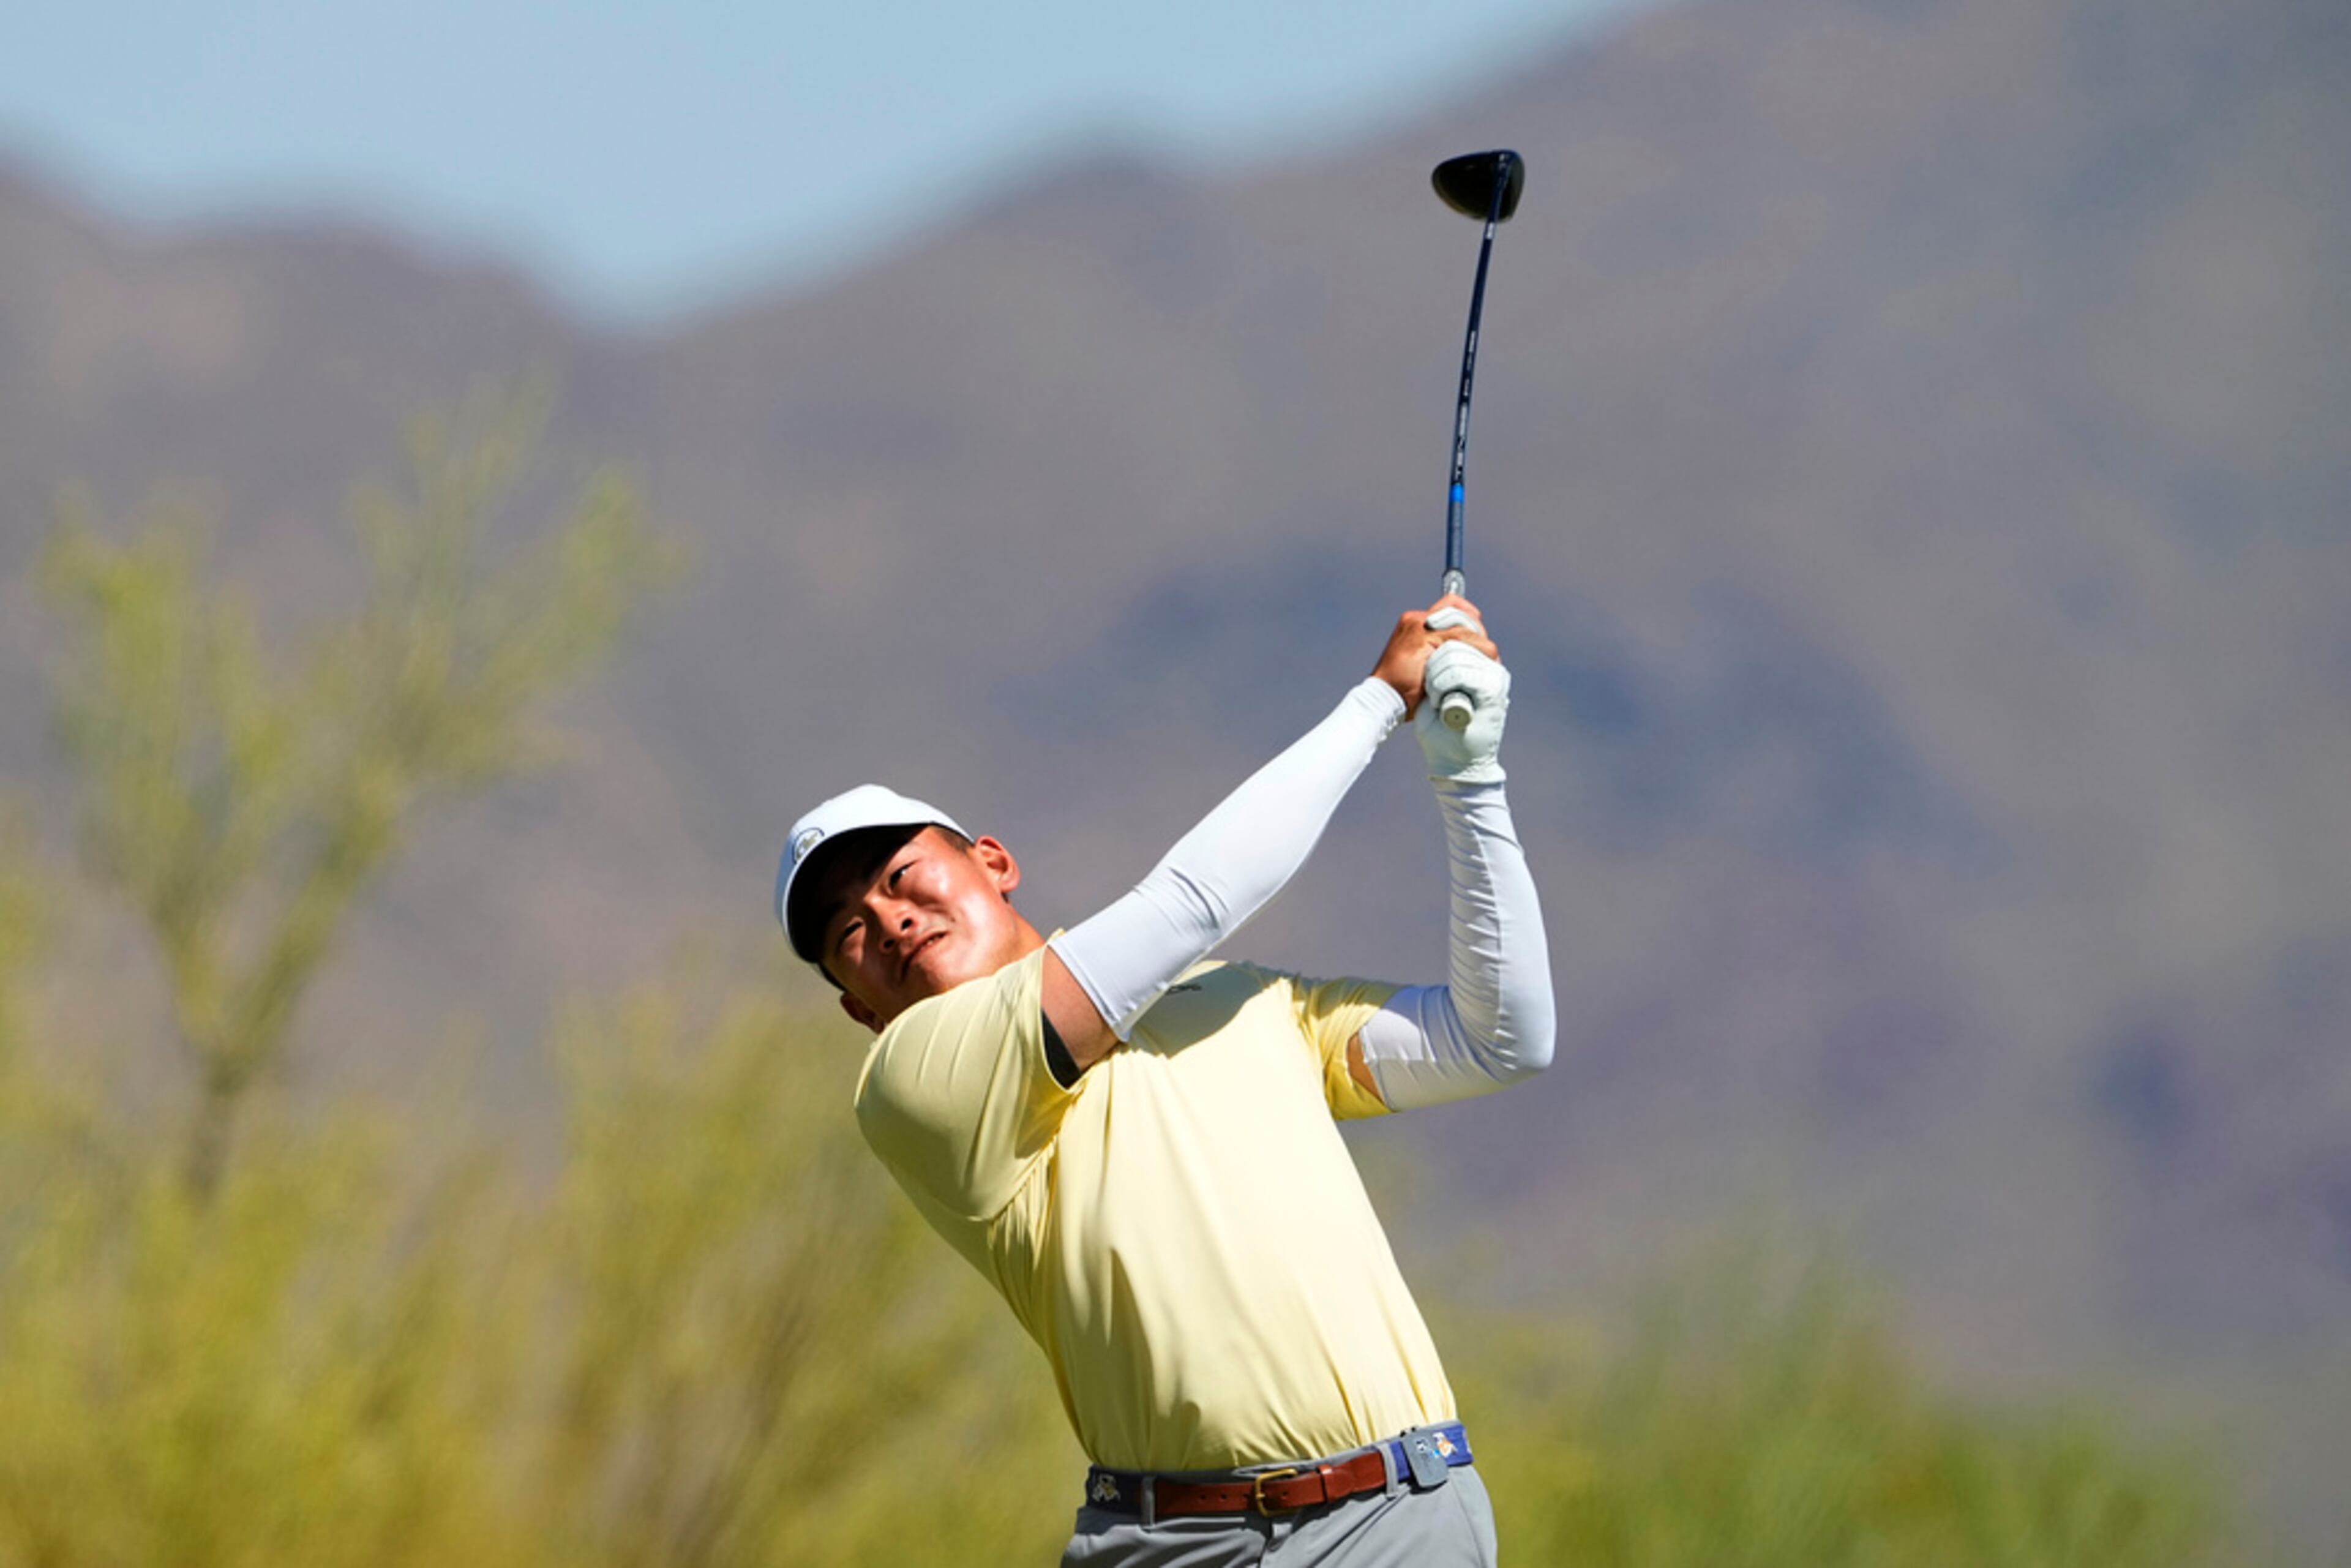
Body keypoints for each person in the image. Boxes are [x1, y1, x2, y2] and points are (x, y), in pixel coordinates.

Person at [773, 596, 1553, 1566]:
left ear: (993, 861)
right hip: (1166, 1544)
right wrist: (1378, 705)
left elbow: (1501, 1036)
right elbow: (1192, 901)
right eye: (847, 929)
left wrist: (1468, 775)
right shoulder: (914, 1083)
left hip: (1387, 1516)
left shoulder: (1238, 1001)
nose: (887, 919)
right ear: (857, 1007)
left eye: (899, 873)